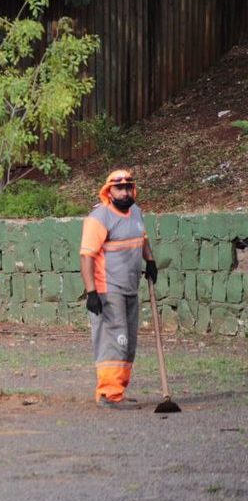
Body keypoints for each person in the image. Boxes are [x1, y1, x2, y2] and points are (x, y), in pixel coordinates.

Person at [79, 170, 157, 408]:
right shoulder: (99, 218)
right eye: (119, 188)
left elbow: (141, 239)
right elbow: (86, 257)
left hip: (130, 287)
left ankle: (117, 390)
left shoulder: (136, 212)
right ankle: (108, 394)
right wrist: (91, 292)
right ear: (108, 192)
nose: (124, 192)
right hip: (107, 289)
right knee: (114, 339)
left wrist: (150, 261)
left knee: (128, 340)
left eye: (128, 187)